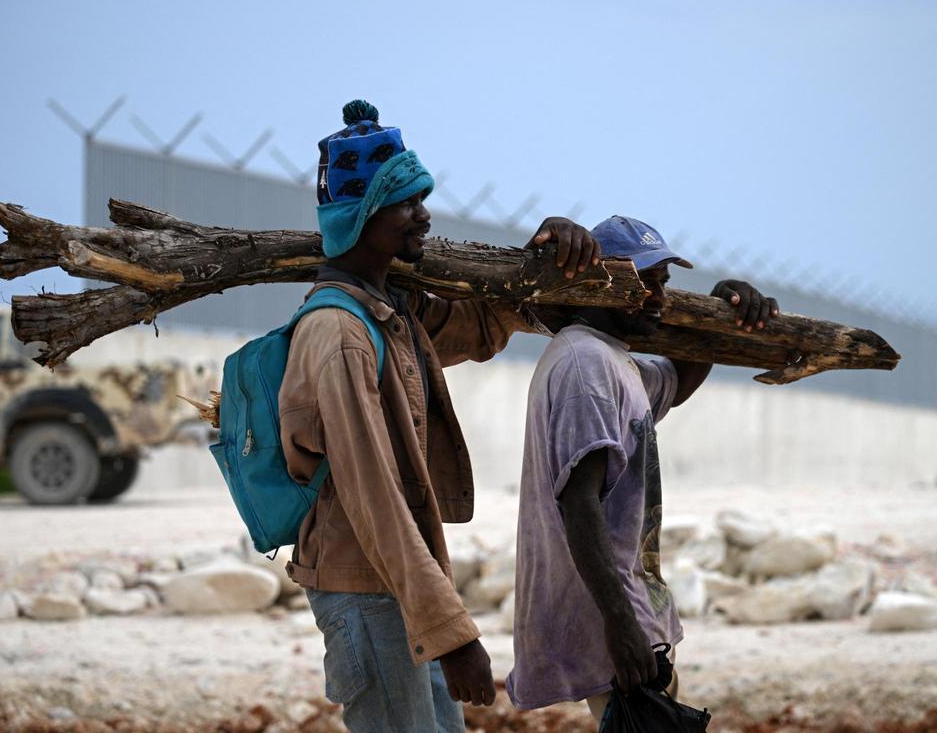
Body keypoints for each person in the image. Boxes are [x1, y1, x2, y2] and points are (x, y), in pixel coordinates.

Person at [277, 99, 599, 732]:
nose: (424, 216)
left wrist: (540, 257)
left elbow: (481, 325)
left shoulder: (389, 311)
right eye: (406, 203)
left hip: (399, 589)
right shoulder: (339, 332)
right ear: (365, 217)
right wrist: (451, 634)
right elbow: (373, 496)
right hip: (369, 594)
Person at [505, 215, 779, 723]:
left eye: (664, 282)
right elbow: (578, 503)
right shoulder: (584, 365)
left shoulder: (612, 360)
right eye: (645, 281)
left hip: (627, 610)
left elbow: (677, 381)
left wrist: (721, 308)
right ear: (598, 283)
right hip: (610, 619)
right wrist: (621, 623)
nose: (659, 296)